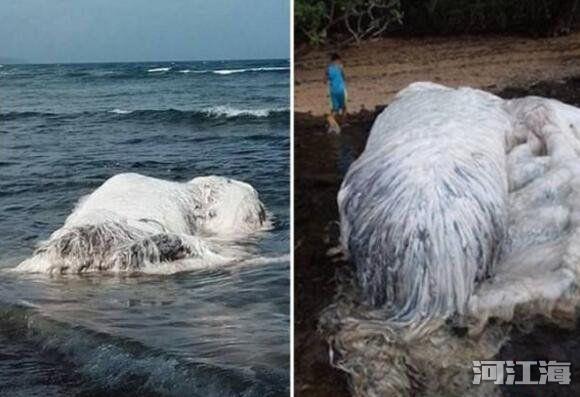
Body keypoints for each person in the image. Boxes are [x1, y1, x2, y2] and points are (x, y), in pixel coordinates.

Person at [326, 53, 347, 133]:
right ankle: (343, 123)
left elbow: (325, 79)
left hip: (332, 90)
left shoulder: (328, 69)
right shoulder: (340, 67)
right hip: (341, 89)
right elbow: (344, 76)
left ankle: (332, 124)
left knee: (335, 107)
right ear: (337, 60)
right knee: (344, 107)